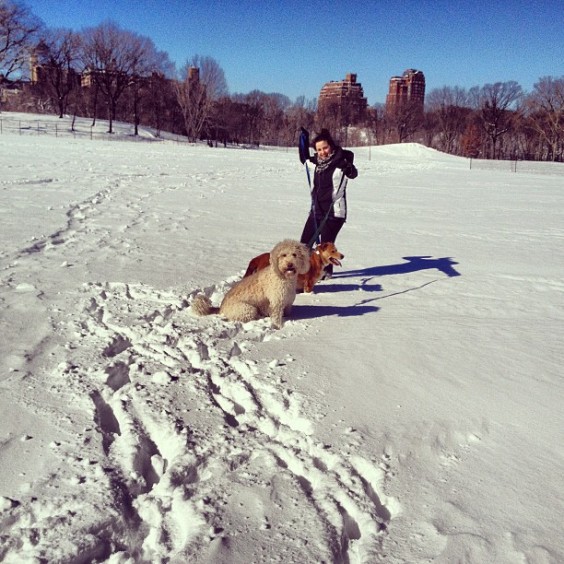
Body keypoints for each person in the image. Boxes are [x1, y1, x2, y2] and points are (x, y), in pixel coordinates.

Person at [298, 128, 358, 278]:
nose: (323, 152)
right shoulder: (316, 163)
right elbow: (304, 158)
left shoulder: (341, 160)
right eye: (319, 149)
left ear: (331, 146)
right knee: (304, 244)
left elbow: (353, 173)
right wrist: (303, 140)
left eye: (325, 148)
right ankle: (301, 273)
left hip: (334, 212)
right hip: (316, 211)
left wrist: (348, 167)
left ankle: (325, 274)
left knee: (326, 246)